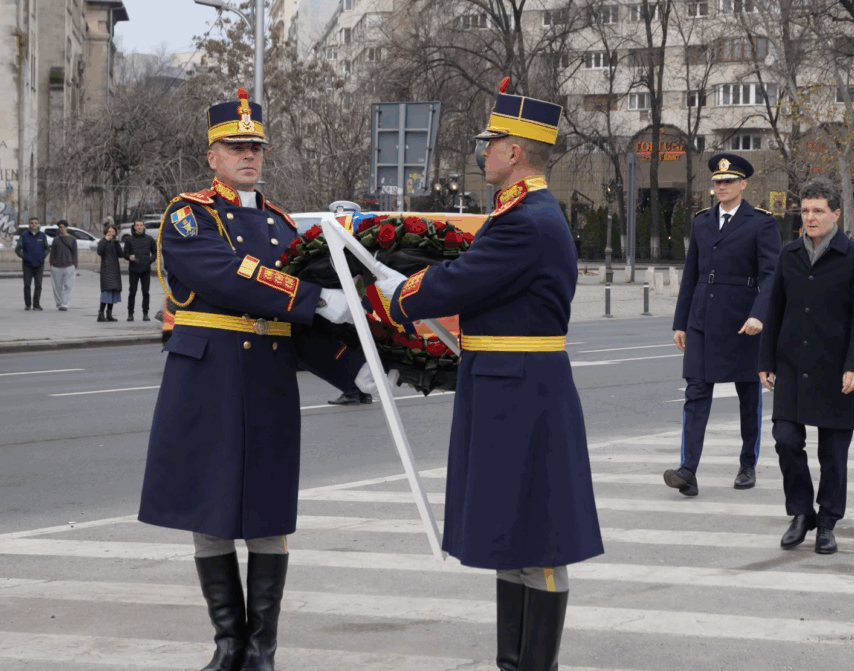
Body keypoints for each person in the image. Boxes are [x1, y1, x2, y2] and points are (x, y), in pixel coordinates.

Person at [372, 77, 602, 671]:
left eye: (490, 140)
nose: (483, 149)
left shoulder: (529, 220)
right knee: (510, 531)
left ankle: (535, 665)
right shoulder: (520, 214)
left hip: (524, 389)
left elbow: (461, 281)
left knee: (541, 536)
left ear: (515, 152)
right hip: (505, 382)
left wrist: (400, 292)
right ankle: (512, 662)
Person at [137, 86, 357, 671]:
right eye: (235, 146)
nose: (248, 156)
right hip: (207, 374)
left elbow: (306, 320)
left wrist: (366, 352)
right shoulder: (189, 216)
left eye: (255, 147)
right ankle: (227, 644)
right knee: (208, 509)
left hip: (267, 377)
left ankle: (261, 648)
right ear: (212, 155)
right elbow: (228, 277)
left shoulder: (285, 226)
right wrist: (315, 298)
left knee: (266, 509)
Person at [759, 180, 854, 555]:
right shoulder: (789, 253)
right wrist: (765, 360)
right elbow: (774, 309)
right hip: (791, 365)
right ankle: (800, 513)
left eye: (818, 211)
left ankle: (826, 522)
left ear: (835, 214)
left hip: (836, 369)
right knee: (785, 440)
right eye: (806, 211)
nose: (810, 217)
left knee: (833, 455)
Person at [666, 152, 781, 496]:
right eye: (717, 182)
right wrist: (681, 321)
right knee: (696, 392)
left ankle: (747, 463)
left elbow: (771, 275)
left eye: (729, 182)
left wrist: (760, 314)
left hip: (743, 320)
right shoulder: (702, 221)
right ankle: (688, 469)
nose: (722, 187)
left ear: (743, 184)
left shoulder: (761, 222)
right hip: (702, 317)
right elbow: (691, 274)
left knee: (748, 393)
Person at [122, 220, 156, 321]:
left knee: (146, 292)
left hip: (145, 269)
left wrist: (150, 260)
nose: (139, 227)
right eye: (137, 225)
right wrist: (129, 257)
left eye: (141, 225)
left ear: (143, 227)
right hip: (134, 269)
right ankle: (130, 314)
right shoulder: (129, 239)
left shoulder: (149, 239)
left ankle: (145, 313)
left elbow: (155, 253)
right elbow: (125, 254)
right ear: (134, 227)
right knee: (132, 292)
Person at [15, 217, 46, 310]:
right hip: (27, 265)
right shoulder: (24, 235)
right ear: (29, 224)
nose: (34, 224)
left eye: (35, 223)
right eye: (32, 223)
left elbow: (47, 248)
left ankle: (36, 304)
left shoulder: (42, 235)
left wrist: (42, 256)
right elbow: (17, 249)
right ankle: (28, 304)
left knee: (38, 285)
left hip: (39, 264)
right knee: (27, 285)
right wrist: (24, 256)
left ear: (38, 224)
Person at [97, 224, 125, 322]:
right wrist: (106, 240)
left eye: (113, 232)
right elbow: (99, 252)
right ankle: (100, 314)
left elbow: (121, 254)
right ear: (106, 232)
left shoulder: (115, 242)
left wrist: (117, 242)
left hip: (115, 270)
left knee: (113, 292)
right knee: (106, 292)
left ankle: (109, 314)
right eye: (109, 232)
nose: (111, 233)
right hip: (106, 270)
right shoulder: (102, 241)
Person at [48, 220, 78, 311]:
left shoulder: (72, 239)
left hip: (69, 265)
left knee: (68, 286)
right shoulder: (56, 239)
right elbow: (52, 253)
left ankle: (64, 304)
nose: (62, 229)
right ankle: (59, 304)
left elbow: (75, 253)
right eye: (60, 227)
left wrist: (74, 265)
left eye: (64, 227)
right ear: (59, 228)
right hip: (56, 266)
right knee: (57, 287)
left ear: (67, 227)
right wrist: (52, 264)